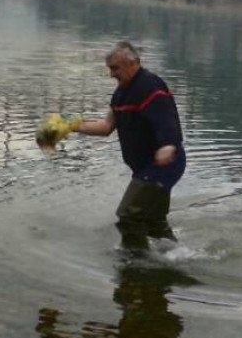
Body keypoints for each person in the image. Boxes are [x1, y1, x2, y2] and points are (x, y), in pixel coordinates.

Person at [73, 41, 186, 249]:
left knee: (128, 215)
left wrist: (168, 145)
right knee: (154, 222)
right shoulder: (120, 94)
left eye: (115, 68)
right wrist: (71, 127)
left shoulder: (151, 86)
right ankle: (177, 257)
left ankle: (136, 262)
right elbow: (107, 126)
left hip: (161, 166)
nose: (111, 74)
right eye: (109, 69)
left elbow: (166, 119)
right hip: (145, 168)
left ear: (134, 63)